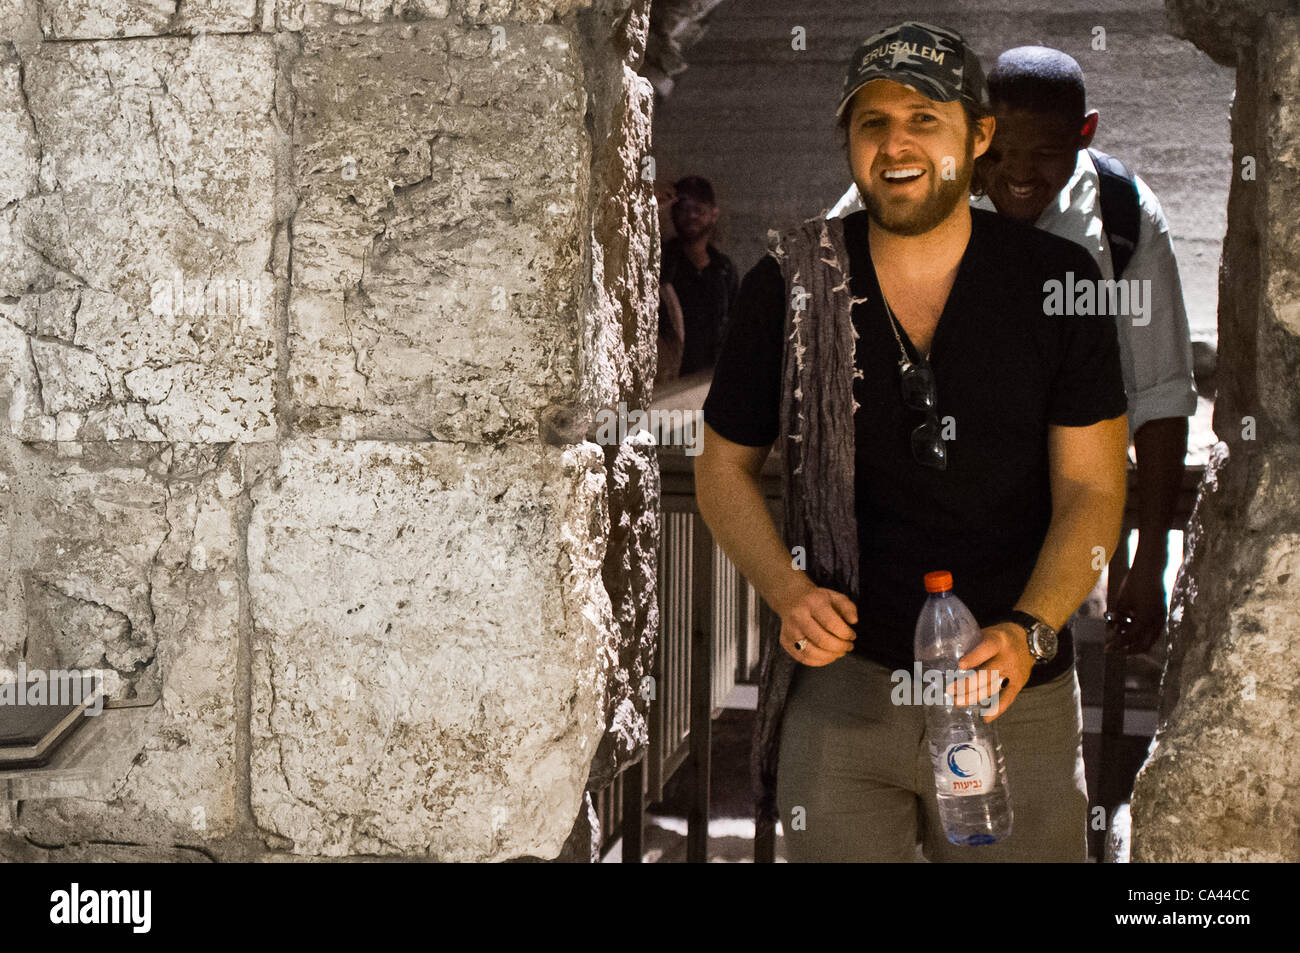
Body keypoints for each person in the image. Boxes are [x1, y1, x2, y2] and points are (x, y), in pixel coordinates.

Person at [696, 21, 1129, 861]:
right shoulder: (791, 282)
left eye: (925, 118)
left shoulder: (1057, 283)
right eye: (872, 123)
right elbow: (722, 470)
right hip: (846, 696)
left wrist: (1029, 630)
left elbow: (1093, 489)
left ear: (979, 134)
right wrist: (786, 592)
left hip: (1014, 698)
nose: (897, 144)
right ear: (850, 143)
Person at [830, 46, 1198, 656]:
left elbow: (1158, 392)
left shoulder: (1121, 217)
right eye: (997, 154)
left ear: (1087, 133)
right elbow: (824, 286)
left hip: (1058, 511)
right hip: (909, 506)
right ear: (976, 130)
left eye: (1046, 155)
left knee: (1033, 659)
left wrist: (1150, 555)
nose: (1018, 175)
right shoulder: (914, 182)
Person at [659, 176, 739, 376]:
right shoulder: (661, 262)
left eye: (699, 210)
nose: (691, 216)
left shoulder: (724, 269)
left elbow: (734, 326)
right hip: (669, 384)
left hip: (711, 382)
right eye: (684, 209)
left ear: (713, 214)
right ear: (673, 214)